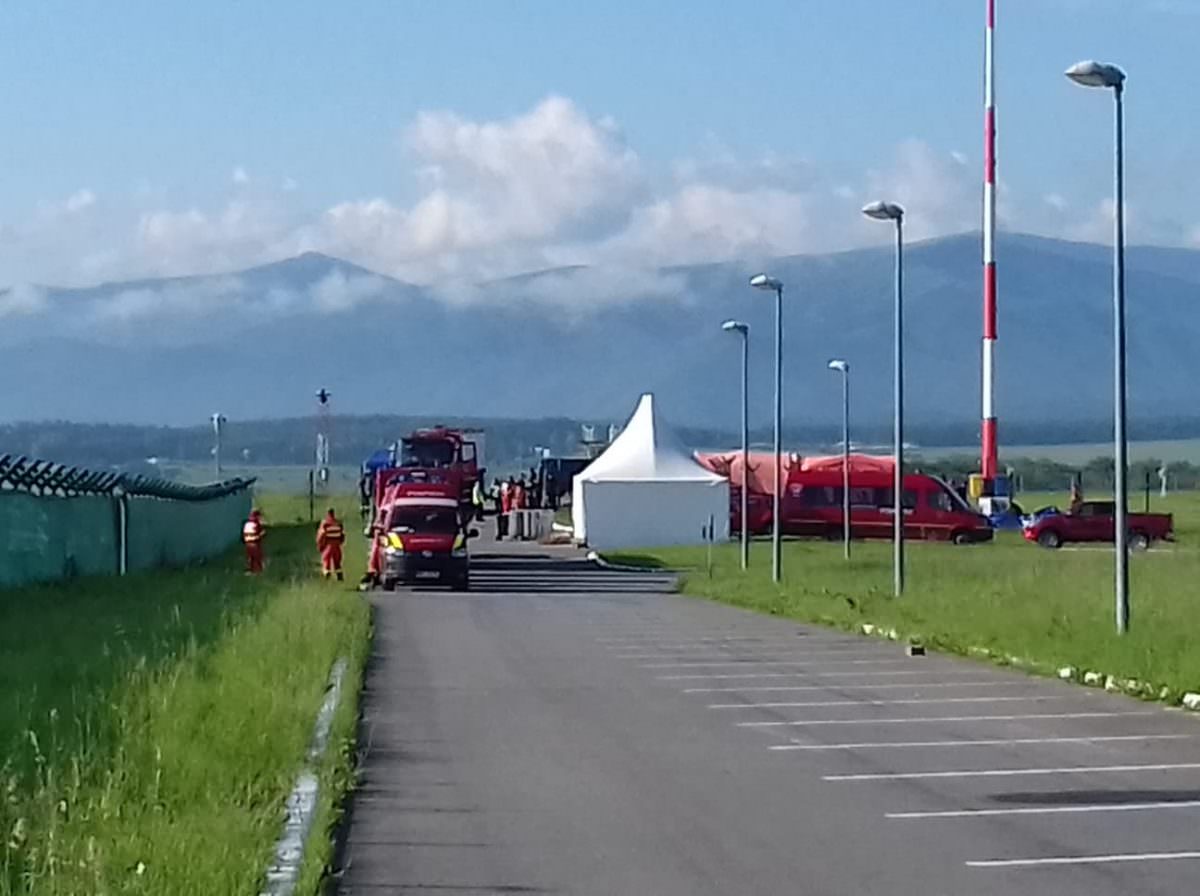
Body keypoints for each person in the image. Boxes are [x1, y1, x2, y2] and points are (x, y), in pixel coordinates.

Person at [316, 508, 346, 581]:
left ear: (327, 514)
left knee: (326, 561)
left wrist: (320, 545)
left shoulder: (325, 523)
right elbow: (342, 535)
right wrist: (340, 542)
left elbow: (321, 535)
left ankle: (327, 575)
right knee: (337, 562)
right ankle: (339, 576)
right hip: (337, 546)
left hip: (328, 545)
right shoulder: (339, 523)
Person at [242, 509, 266, 574]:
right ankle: (258, 571)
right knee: (257, 557)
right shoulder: (256, 523)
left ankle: (250, 569)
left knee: (251, 557)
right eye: (260, 517)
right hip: (254, 542)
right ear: (257, 516)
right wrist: (262, 533)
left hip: (247, 543)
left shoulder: (247, 523)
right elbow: (260, 532)